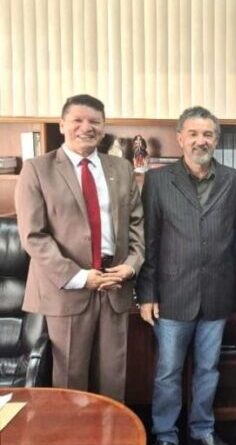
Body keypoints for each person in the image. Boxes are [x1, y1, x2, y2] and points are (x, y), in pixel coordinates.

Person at [15, 94, 145, 401]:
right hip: (67, 288)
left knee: (113, 378)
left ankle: (111, 428)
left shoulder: (122, 168)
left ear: (103, 127)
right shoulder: (37, 169)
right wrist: (80, 276)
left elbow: (137, 224)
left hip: (114, 284)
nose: (86, 127)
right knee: (70, 380)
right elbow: (33, 236)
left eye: (94, 122)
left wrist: (131, 266)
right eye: (77, 120)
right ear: (62, 125)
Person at [136, 106, 236, 445]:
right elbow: (149, 240)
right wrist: (147, 294)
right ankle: (165, 434)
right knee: (168, 371)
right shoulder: (157, 180)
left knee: (208, 369)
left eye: (208, 134)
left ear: (217, 140)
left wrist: (228, 275)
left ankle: (202, 430)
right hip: (171, 295)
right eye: (194, 134)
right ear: (180, 138)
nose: (201, 141)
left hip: (216, 294)